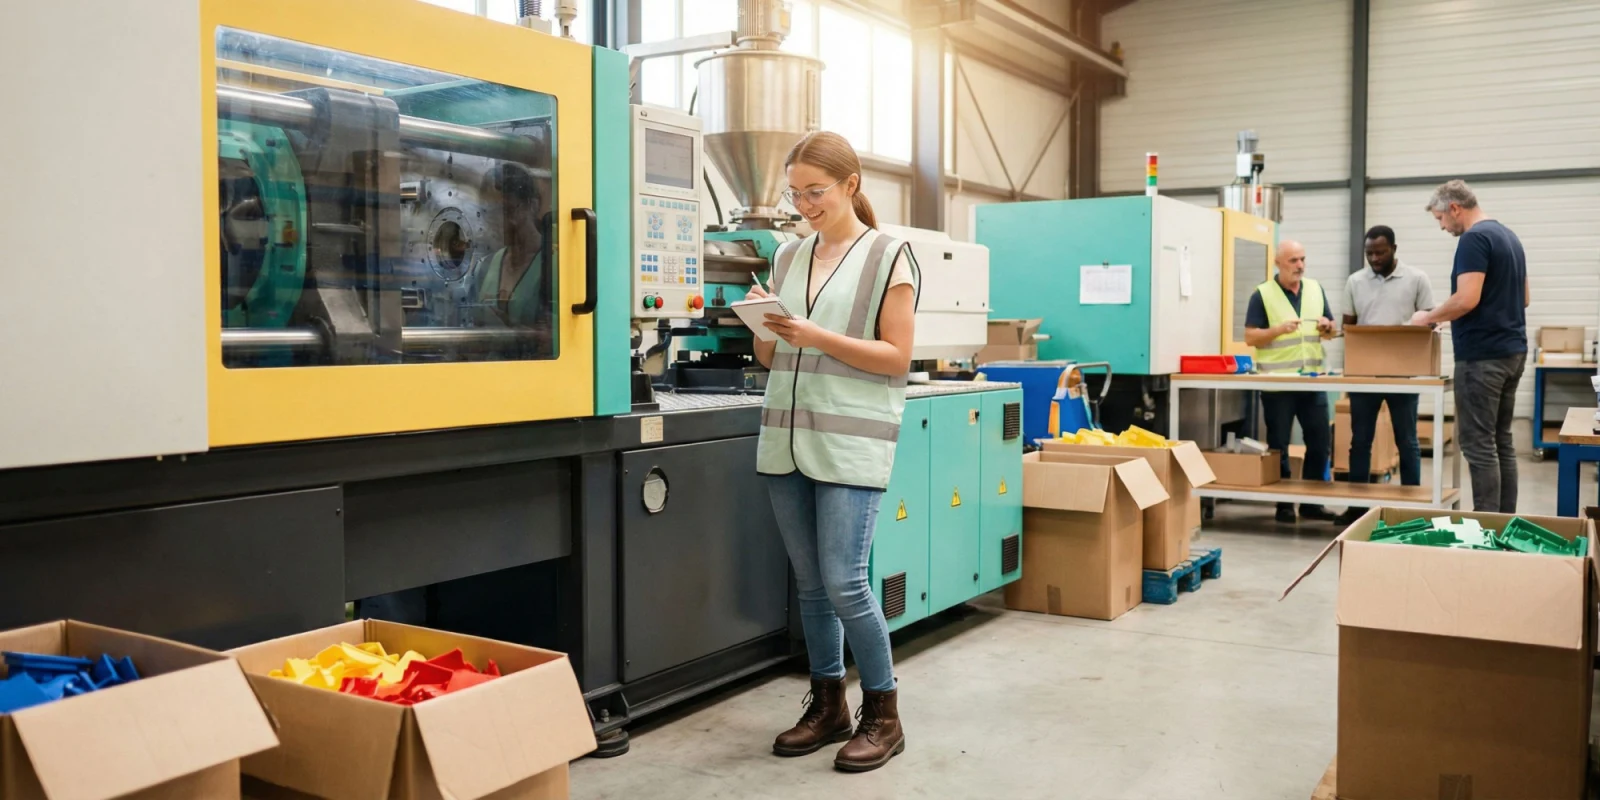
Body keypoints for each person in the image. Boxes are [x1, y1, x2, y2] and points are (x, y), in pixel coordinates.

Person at [744, 131, 919, 773]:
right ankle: (827, 706)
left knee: (846, 582)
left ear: (850, 185)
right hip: (787, 438)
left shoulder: (889, 256)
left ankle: (884, 715)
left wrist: (814, 335)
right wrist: (763, 322)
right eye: (794, 193)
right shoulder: (789, 254)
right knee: (812, 585)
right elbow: (770, 357)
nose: (804, 205)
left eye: (815, 192)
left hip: (849, 442)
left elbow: (896, 357)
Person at [1411, 180, 1528, 513]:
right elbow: (1523, 298)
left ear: (1454, 208)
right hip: (1512, 353)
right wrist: (1456, 320)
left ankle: (1487, 526)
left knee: (1478, 446)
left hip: (1483, 360)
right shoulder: (1509, 237)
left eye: (1440, 219)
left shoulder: (1474, 239)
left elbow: (1466, 298)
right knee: (1501, 441)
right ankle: (1504, 522)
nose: (1442, 227)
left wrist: (1427, 317)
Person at [1333, 226, 1435, 525]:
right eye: (1369, 254)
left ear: (1394, 249)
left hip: (1403, 374)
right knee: (1360, 440)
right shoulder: (1355, 281)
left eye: (1380, 252)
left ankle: (1412, 507)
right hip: (1365, 374)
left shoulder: (1417, 279)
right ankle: (1356, 508)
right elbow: (1349, 328)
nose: (1375, 258)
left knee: (1408, 440)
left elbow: (1430, 322)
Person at [1244, 240, 1338, 524]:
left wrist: (1328, 327)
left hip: (1312, 383)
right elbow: (1250, 337)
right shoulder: (1262, 294)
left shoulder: (1315, 288)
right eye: (1293, 261)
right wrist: (1277, 330)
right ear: (1278, 264)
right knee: (1279, 446)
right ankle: (1284, 504)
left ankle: (1312, 503)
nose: (1300, 265)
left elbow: (1332, 331)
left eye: (1302, 259)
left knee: (1320, 443)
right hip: (1278, 385)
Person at [474, 162, 553, 356]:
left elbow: (558, 341)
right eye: (489, 212)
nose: (500, 222)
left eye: (508, 211)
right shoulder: (484, 267)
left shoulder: (554, 265)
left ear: (532, 205)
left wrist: (512, 331)